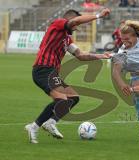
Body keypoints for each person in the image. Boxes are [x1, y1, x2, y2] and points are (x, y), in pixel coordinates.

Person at [25, 8, 111, 144]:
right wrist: (98, 15)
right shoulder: (58, 24)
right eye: (76, 26)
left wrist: (102, 56)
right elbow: (75, 21)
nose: (76, 28)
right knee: (62, 100)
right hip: (43, 69)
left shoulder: (67, 39)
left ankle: (51, 123)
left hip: (51, 72)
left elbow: (81, 55)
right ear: (69, 20)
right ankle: (34, 127)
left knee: (73, 98)